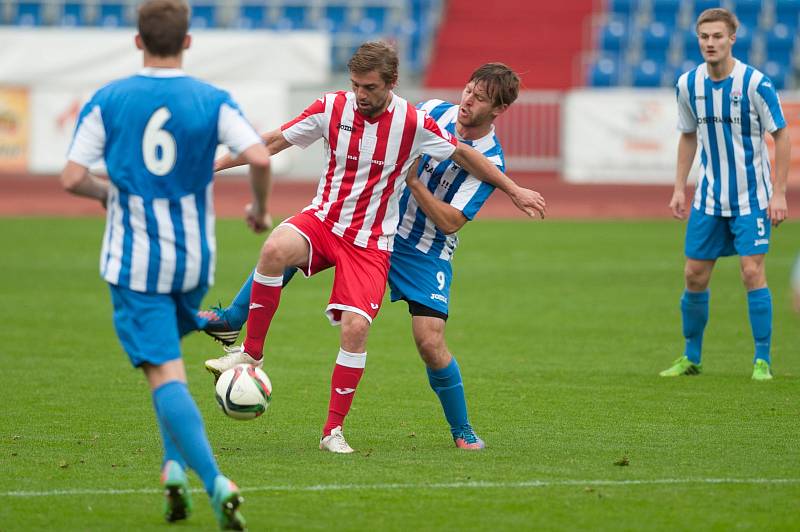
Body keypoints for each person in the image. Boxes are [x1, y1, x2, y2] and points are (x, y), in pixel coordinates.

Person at [203, 42, 546, 453]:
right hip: (370, 222)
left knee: (429, 342)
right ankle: (236, 325)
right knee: (283, 248)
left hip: (422, 248)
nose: (469, 100)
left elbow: (451, 219)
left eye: (481, 98)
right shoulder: (433, 111)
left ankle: (462, 429)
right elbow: (289, 139)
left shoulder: (484, 155)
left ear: (498, 110)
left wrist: (502, 190)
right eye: (470, 90)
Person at [60, 0, 271, 528]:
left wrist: (106, 194)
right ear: (188, 42)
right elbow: (261, 157)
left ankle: (215, 481)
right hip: (193, 259)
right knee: (168, 359)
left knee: (160, 371)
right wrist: (260, 208)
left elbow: (70, 177)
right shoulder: (212, 98)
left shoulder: (109, 99)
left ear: (137, 41)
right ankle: (171, 470)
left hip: (136, 263)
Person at [661, 8, 789, 380]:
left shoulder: (754, 83)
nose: (710, 43)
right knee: (694, 275)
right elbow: (688, 135)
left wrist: (778, 194)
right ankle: (691, 357)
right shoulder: (688, 84)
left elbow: (781, 135)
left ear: (732, 38)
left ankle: (761, 359)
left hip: (752, 197)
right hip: (709, 197)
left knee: (752, 271)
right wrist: (679, 188)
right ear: (697, 39)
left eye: (718, 36)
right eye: (704, 37)